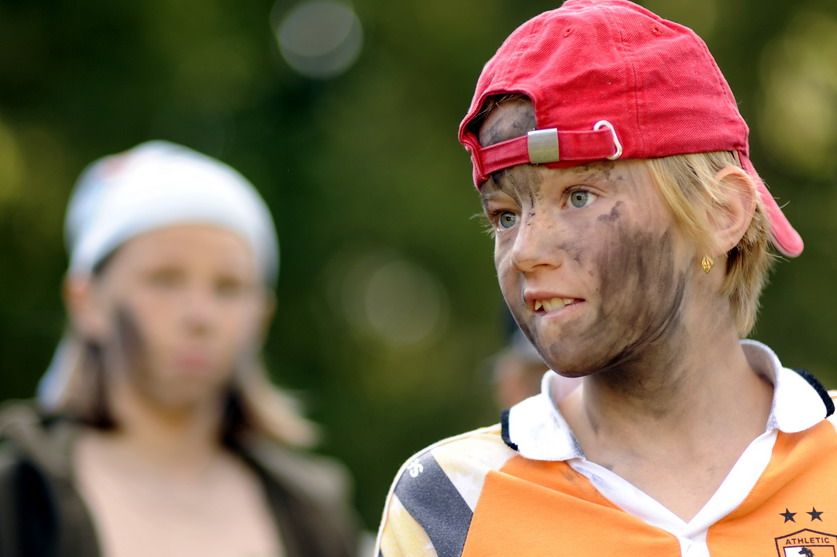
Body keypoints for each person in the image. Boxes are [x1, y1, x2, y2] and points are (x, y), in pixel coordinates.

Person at [375, 1, 836, 556]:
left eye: (579, 196)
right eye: (505, 216)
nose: (525, 252)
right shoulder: (450, 503)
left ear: (721, 214)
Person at [0, 141, 358, 557]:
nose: (199, 316)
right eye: (164, 280)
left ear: (261, 314)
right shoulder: (19, 499)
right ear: (88, 302)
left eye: (228, 287)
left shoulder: (311, 510)